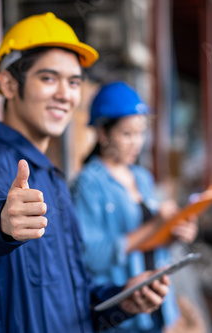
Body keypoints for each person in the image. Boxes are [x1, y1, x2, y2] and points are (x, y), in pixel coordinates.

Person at [0, 13, 171, 333]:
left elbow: (75, 306)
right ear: (10, 84)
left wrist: (122, 300)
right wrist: (2, 221)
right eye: (49, 78)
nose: (66, 94)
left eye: (74, 81)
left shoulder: (55, 182)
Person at [71, 82, 198, 333]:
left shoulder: (142, 177)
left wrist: (173, 234)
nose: (136, 143)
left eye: (140, 133)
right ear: (103, 133)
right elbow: (90, 257)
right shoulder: (87, 184)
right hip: (122, 314)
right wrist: (154, 226)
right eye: (127, 134)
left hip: (158, 305)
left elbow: (152, 241)